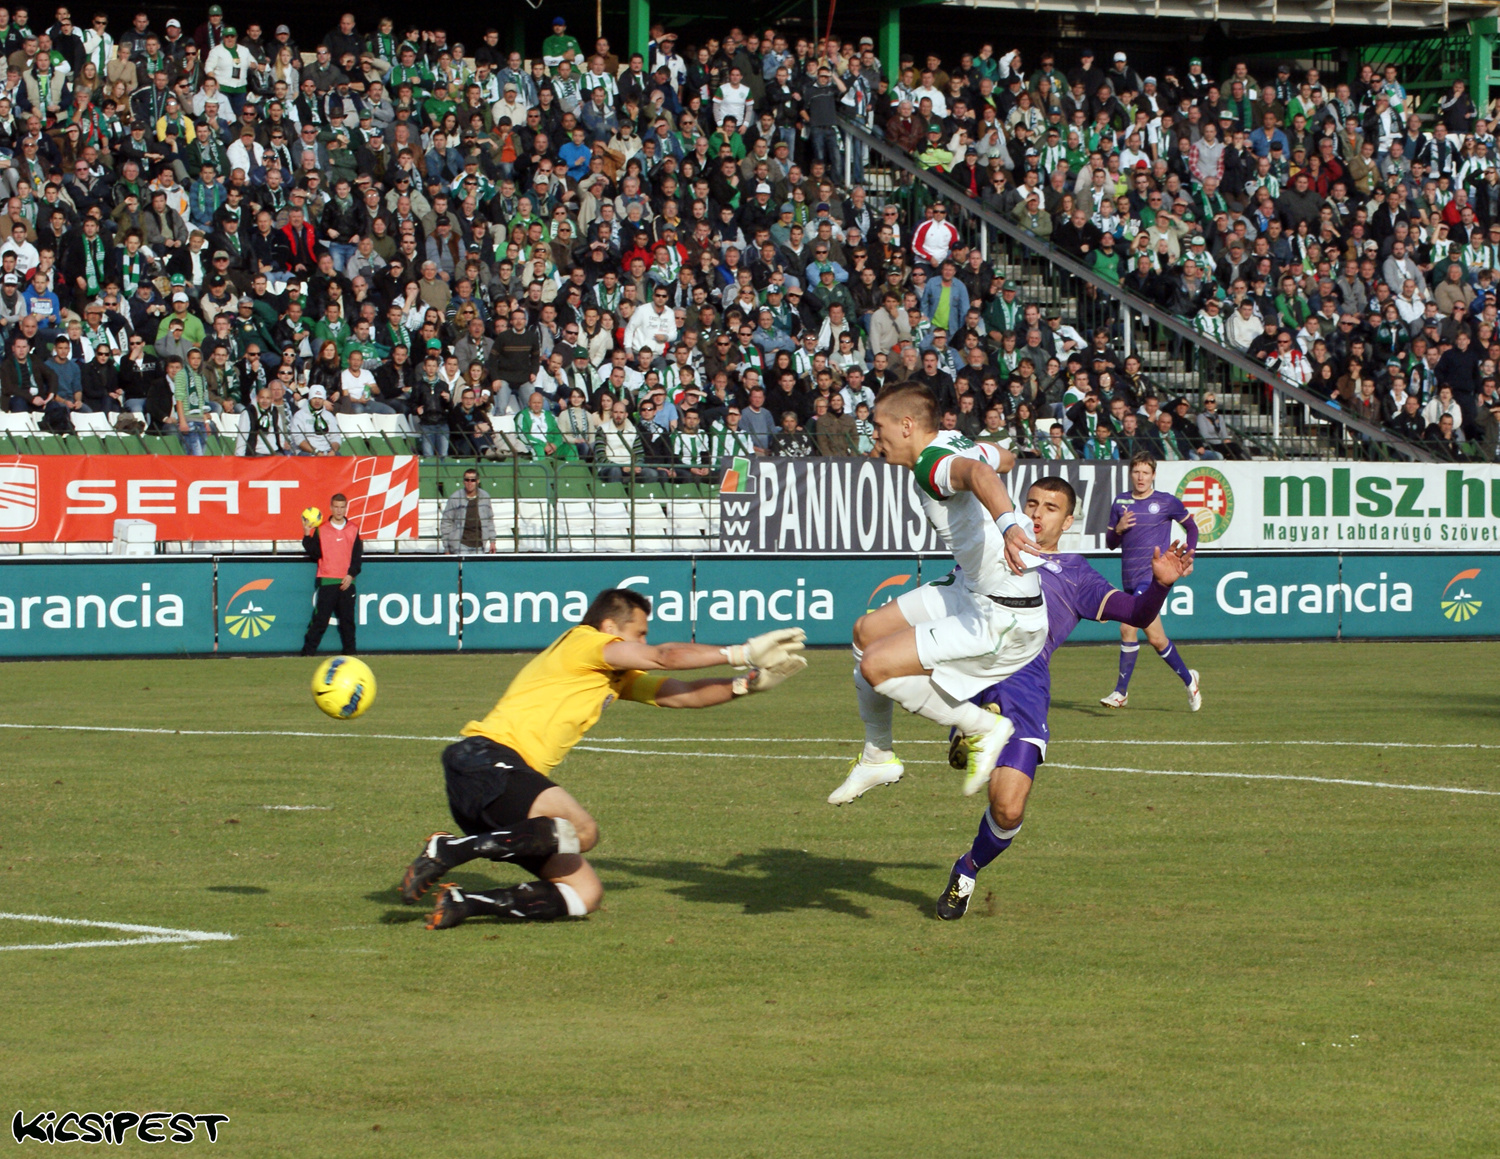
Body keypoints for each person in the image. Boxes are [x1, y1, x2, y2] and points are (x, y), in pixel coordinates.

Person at [398, 590, 807, 928]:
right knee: (583, 830)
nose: (644, 642)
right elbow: (665, 656)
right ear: (611, 627)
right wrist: (741, 651)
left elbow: (682, 693)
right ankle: (449, 850)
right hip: (485, 758)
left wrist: (744, 686)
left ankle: (463, 903)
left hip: (504, 794)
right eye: (639, 633)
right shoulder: (585, 642)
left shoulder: (614, 674)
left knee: (585, 894)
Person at [932, 479, 1194, 918]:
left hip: (1024, 690)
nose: (1037, 514)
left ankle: (967, 868)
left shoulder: (1073, 572)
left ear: (1067, 521)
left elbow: (1135, 614)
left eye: (1050, 508)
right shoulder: (990, 550)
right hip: (974, 673)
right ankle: (969, 722)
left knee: (1008, 809)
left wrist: (1160, 586)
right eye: (1031, 503)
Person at [840, 383, 1047, 802]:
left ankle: (983, 727)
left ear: (907, 425)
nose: (874, 437)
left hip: (1003, 611)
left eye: (878, 427)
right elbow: (1001, 458)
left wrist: (1008, 525)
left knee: (877, 667)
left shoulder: (931, 465)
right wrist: (984, 456)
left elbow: (982, 472)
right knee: (867, 633)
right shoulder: (953, 443)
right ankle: (877, 756)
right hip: (973, 587)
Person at [1100, 452, 1202, 710]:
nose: (1141, 477)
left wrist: (1188, 557)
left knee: (1127, 627)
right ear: (1131, 473)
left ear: (1153, 474)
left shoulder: (1166, 502)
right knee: (1157, 640)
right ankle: (1190, 680)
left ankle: (1120, 693)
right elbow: (1111, 544)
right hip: (1130, 579)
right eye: (1136, 472)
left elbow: (1192, 527)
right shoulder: (1120, 502)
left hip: (1153, 578)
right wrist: (1119, 528)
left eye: (1146, 472)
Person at [300, 494, 361, 656]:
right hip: (327, 581)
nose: (339, 510)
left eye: (342, 507)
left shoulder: (353, 529)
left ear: (346, 508)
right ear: (331, 508)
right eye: (336, 507)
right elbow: (314, 553)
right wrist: (307, 534)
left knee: (348, 622)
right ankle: (307, 653)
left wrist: (350, 575)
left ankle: (351, 655)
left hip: (347, 582)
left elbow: (357, 558)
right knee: (320, 621)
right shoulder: (322, 529)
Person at [440, 468, 495, 553]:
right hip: (460, 545)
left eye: (473, 480)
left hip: (479, 545)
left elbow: (489, 520)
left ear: (478, 481)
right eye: (467, 480)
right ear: (463, 481)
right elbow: (446, 522)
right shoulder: (455, 498)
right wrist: (446, 547)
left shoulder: (485, 497)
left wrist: (492, 541)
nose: (470, 483)